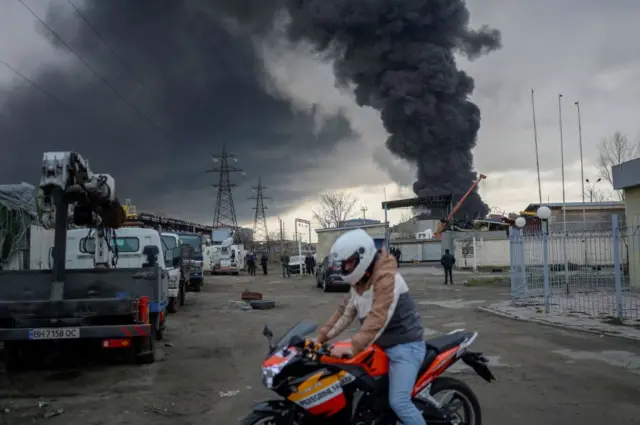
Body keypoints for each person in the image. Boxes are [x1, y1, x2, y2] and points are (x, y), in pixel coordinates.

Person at [313, 229, 426, 425]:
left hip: (405, 347)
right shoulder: (360, 283)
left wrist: (353, 345)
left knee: (399, 402)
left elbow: (378, 318)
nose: (345, 268)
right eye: (344, 264)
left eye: (349, 263)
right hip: (379, 347)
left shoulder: (388, 279)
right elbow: (345, 312)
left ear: (362, 258)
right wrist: (320, 338)